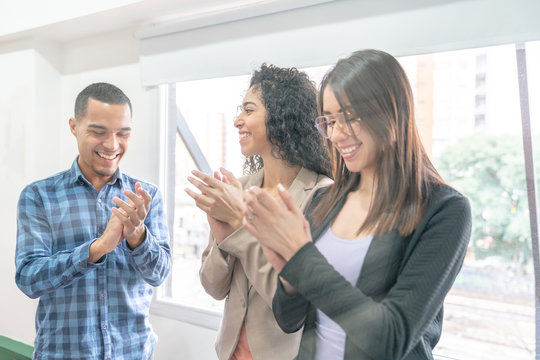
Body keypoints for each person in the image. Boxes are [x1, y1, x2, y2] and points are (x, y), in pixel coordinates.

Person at [243, 50, 472, 359]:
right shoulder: (326, 202)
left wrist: (302, 258)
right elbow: (289, 320)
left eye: (348, 118)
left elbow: (389, 339)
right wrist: (289, 276)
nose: (336, 134)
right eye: (329, 120)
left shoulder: (444, 211)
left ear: (391, 113)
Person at [185, 64, 332, 360]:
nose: (238, 120)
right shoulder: (238, 189)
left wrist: (240, 227)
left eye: (249, 110)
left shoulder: (323, 195)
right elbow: (213, 287)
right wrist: (223, 237)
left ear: (282, 116)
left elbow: (299, 305)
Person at [15, 82, 171, 360]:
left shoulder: (146, 197)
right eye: (98, 132)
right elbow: (29, 279)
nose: (112, 145)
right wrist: (95, 250)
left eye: (123, 134)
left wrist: (137, 237)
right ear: (74, 126)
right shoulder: (39, 196)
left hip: (133, 353)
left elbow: (159, 275)